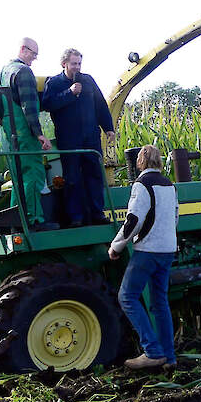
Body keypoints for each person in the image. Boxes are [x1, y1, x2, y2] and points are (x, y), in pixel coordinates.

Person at [109, 145, 179, 370]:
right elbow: (175, 217)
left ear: (140, 162)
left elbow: (133, 221)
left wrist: (116, 247)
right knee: (160, 302)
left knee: (127, 297)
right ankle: (169, 358)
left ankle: (152, 351)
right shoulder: (169, 185)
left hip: (148, 251)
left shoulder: (141, 185)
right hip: (168, 249)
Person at [42, 48, 116, 227]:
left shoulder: (88, 80)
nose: (77, 67)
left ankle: (97, 214)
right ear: (64, 64)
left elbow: (100, 104)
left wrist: (108, 128)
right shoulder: (54, 83)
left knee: (94, 175)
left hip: (90, 137)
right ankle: (75, 217)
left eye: (79, 64)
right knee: (72, 177)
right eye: (73, 64)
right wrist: (70, 93)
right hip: (69, 138)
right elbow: (47, 104)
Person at [0, 37, 59, 231]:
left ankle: (17, 220)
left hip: (9, 135)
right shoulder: (24, 72)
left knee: (18, 178)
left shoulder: (3, 72)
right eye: (33, 54)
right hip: (25, 133)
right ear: (23, 49)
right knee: (33, 174)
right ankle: (33, 220)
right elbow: (29, 106)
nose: (34, 58)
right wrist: (39, 134)